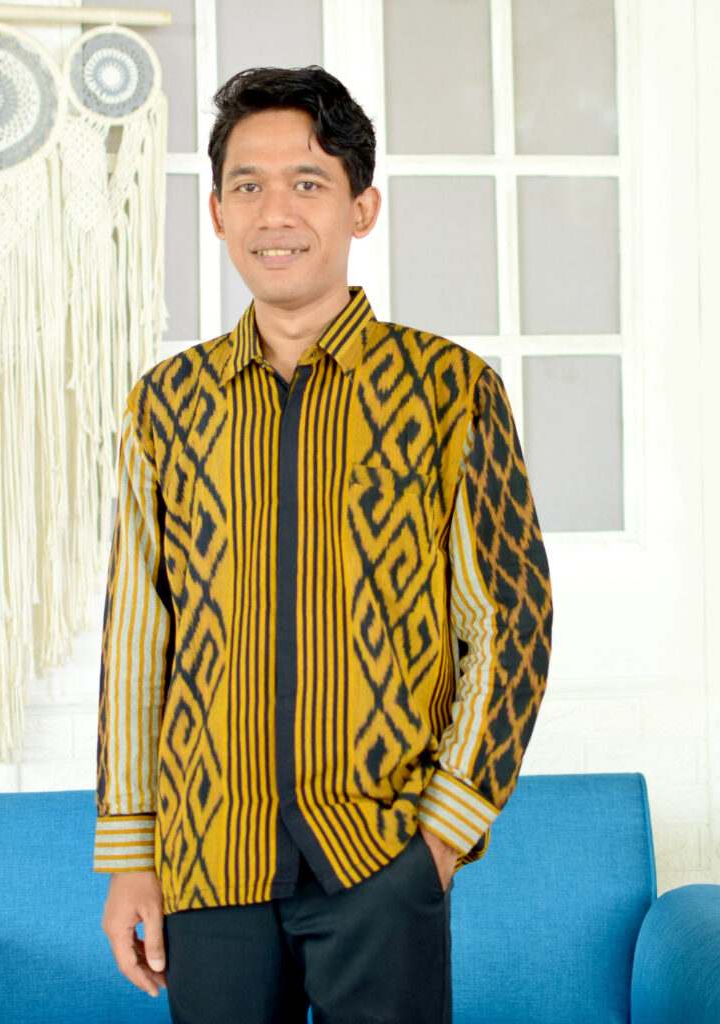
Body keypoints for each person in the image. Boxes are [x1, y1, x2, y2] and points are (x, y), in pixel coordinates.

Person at [95, 65, 553, 1024]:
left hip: (379, 858)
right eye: (247, 185)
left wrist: (440, 836)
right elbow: (138, 639)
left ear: (361, 208)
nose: (276, 213)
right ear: (217, 214)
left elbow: (509, 620)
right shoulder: (166, 405)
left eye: (307, 182)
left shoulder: (448, 389)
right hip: (207, 860)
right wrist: (132, 854)